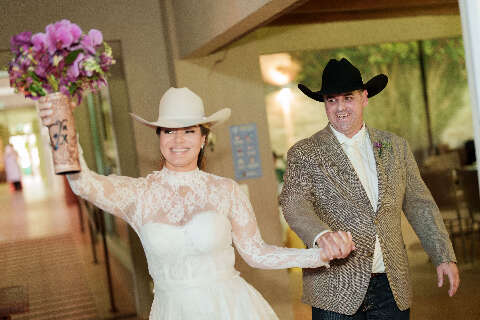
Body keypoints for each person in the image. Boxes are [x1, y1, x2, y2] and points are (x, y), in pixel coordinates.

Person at [38, 87, 354, 320]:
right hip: (173, 310)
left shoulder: (226, 190)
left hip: (232, 309)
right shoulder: (138, 195)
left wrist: (316, 254)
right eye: (169, 132)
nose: (178, 141)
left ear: (203, 139)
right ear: (159, 137)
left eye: (189, 131)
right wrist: (59, 127)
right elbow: (83, 182)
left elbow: (256, 252)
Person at [279, 58, 459, 319]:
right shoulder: (305, 152)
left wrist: (443, 255)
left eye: (348, 98)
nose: (340, 108)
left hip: (391, 287)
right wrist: (320, 235)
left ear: (364, 97)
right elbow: (294, 203)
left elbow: (420, 204)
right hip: (335, 290)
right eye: (331, 100)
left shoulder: (394, 146)